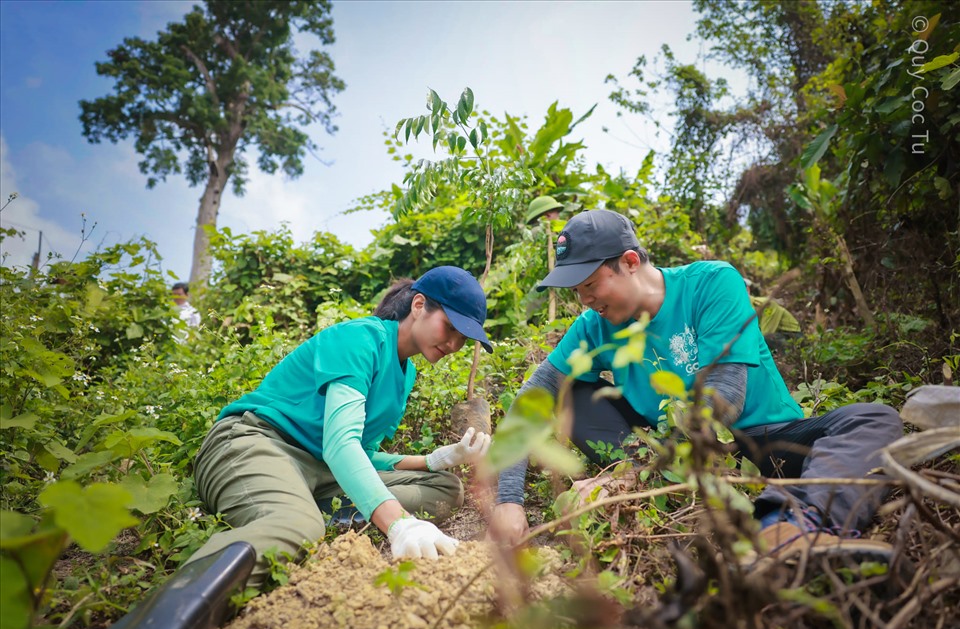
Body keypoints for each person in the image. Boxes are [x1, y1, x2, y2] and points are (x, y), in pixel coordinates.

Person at [490, 209, 902, 563]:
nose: (586, 301)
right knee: (568, 395)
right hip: (666, 455)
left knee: (873, 418)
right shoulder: (593, 327)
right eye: (578, 291)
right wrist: (509, 500)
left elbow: (726, 393)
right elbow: (531, 400)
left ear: (630, 261)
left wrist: (645, 469)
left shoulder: (711, 283)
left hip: (759, 441)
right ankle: (658, 478)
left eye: (591, 285)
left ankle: (794, 527)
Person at [186, 266, 493, 589]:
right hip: (257, 442)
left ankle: (305, 504)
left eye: (464, 339)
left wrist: (435, 460)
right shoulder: (359, 340)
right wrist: (399, 523)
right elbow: (340, 444)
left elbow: (361, 454)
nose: (454, 344)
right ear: (418, 306)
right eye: (450, 327)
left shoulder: (406, 375)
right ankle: (175, 609)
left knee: (445, 488)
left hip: (320, 468)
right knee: (298, 527)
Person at [525, 195, 565, 324]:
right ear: (547, 216)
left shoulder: (533, 233)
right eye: (556, 214)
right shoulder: (539, 232)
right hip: (545, 294)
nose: (558, 218)